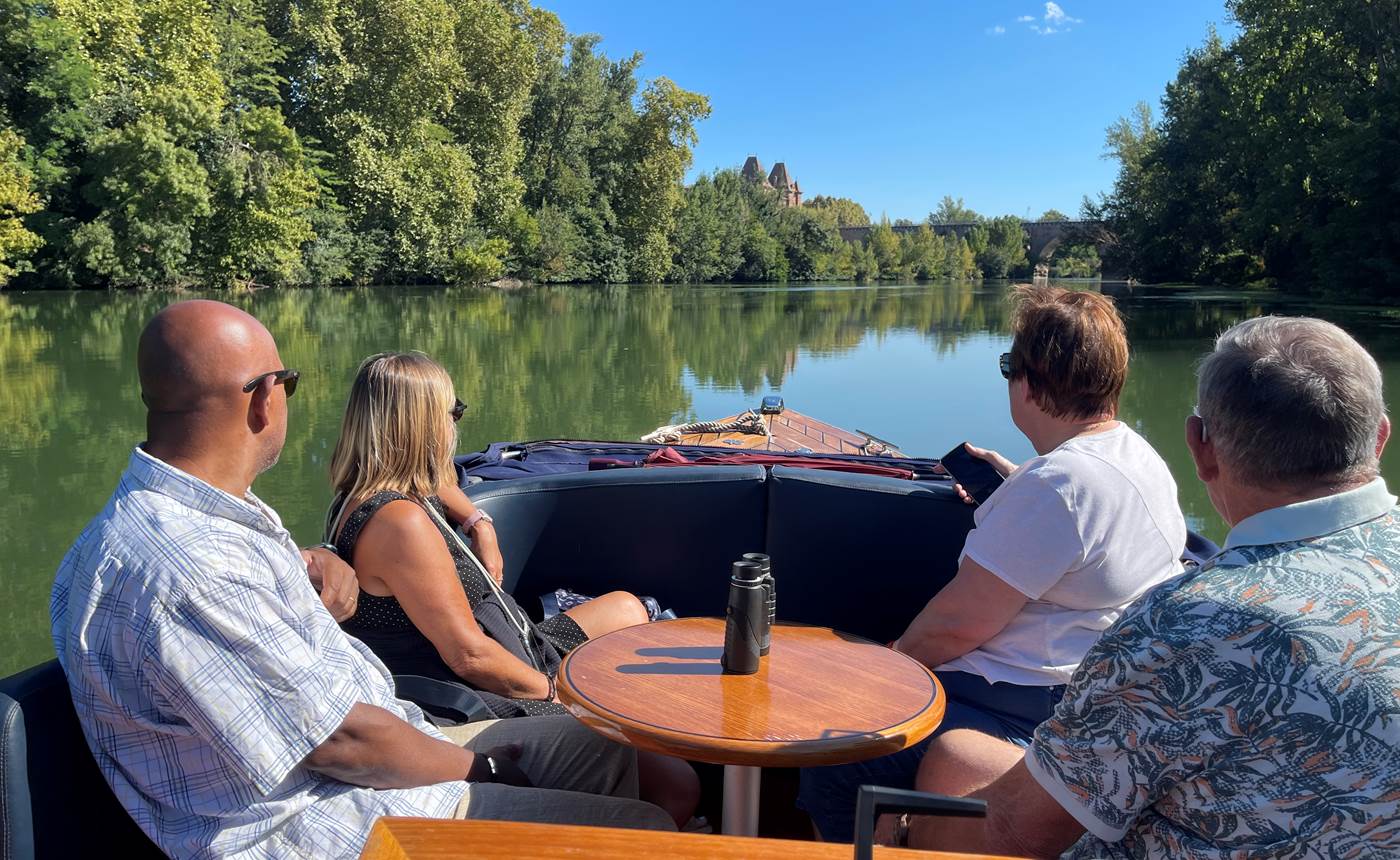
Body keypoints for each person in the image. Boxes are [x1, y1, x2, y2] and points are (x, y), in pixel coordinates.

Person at [50, 301, 673, 860]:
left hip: (388, 743)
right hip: (336, 820)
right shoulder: (190, 570)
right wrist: (480, 769)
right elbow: (342, 744)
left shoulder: (177, 524)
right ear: (264, 399)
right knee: (648, 831)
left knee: (606, 750)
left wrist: (318, 560)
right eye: (287, 381)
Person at [907, 315, 1398, 858]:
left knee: (948, 762)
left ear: (1201, 448)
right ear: (1379, 436)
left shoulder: (1190, 627)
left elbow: (1018, 834)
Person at [799, 285, 1188, 842]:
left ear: (1028, 380)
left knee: (837, 759)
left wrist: (883, 674)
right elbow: (1081, 538)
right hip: (1084, 694)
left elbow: (955, 626)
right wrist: (1014, 485)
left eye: (1009, 365)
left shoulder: (1060, 488)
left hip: (1020, 705)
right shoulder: (1133, 453)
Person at [324, 351, 699, 828]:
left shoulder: (371, 493)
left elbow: (439, 479)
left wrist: (478, 521)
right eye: (452, 410)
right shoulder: (400, 524)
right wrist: (558, 695)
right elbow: (470, 657)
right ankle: (637, 827)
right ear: (421, 425)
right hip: (474, 691)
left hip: (517, 642)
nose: (456, 422)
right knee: (677, 785)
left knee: (625, 608)